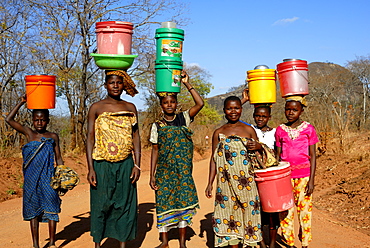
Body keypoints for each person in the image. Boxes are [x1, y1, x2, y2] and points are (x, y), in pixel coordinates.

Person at [86, 70, 141, 248]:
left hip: (125, 164)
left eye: (119, 82)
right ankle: (97, 243)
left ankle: (122, 244)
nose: (116, 86)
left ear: (124, 85)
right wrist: (91, 169)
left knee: (124, 204)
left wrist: (137, 165)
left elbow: (136, 137)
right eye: (112, 83)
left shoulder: (130, 108)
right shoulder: (96, 107)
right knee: (101, 204)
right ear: (105, 85)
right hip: (101, 164)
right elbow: (90, 138)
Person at [149, 71, 204, 248]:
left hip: (183, 171)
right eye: (166, 103)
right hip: (164, 172)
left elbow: (200, 103)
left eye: (172, 102)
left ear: (176, 104)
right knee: (163, 203)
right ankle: (164, 242)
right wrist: (152, 175)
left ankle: (182, 243)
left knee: (183, 204)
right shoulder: (157, 125)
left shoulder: (184, 118)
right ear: (161, 106)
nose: (170, 105)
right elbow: (155, 150)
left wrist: (187, 83)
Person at [205, 96, 264, 248]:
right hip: (226, 184)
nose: (233, 111)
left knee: (249, 214)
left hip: (248, 184)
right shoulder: (219, 133)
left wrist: (258, 147)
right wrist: (210, 183)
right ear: (224, 110)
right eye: (229, 108)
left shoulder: (249, 130)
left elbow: (259, 157)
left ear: (241, 109)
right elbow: (214, 159)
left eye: (236, 108)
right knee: (228, 214)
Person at [5, 96, 63, 248]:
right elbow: (9, 120)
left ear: (48, 121)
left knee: (51, 208)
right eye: (36, 120)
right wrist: (22, 102)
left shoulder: (52, 137)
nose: (39, 123)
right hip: (31, 179)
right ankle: (35, 245)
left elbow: (59, 159)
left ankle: (51, 243)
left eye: (43, 120)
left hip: (48, 178)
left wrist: (62, 176)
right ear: (32, 120)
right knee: (32, 210)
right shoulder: (29, 134)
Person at [275, 96, 319, 248]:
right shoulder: (280, 130)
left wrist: (312, 180)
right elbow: (277, 156)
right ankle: (290, 243)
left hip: (304, 177)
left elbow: (313, 155)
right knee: (286, 211)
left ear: (301, 111)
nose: (290, 112)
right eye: (288, 109)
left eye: (294, 110)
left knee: (304, 211)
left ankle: (305, 243)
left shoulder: (309, 129)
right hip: (284, 177)